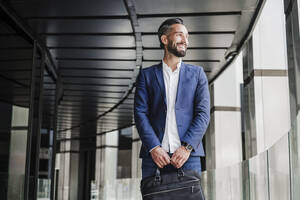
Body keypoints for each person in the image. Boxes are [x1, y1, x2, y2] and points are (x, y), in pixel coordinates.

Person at [134, 18, 210, 179]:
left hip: (188, 157)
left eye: (187, 36)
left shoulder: (197, 74)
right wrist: (154, 147)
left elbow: (203, 114)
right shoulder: (146, 76)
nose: (185, 40)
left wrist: (187, 147)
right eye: (180, 35)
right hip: (154, 157)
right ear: (164, 39)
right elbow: (140, 113)